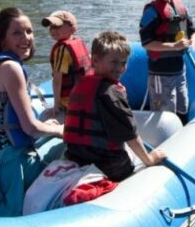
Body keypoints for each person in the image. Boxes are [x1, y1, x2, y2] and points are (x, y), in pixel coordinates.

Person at [0, 7, 65, 216]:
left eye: (29, 31)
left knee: (51, 131)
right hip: (8, 165)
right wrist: (62, 130)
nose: (26, 38)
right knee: (66, 143)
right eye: (17, 33)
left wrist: (47, 125)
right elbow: (30, 127)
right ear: (2, 40)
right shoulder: (11, 68)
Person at [64, 31, 166, 181]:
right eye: (114, 62)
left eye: (124, 63)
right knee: (135, 157)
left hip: (77, 158)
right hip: (109, 166)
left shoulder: (81, 83)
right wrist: (149, 160)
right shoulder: (111, 93)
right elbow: (130, 135)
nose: (120, 68)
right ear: (96, 61)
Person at [139, 0, 195, 124]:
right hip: (160, 73)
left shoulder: (181, 8)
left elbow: (193, 31)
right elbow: (147, 43)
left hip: (179, 70)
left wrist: (194, 40)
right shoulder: (151, 12)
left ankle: (183, 134)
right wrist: (174, 47)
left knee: (182, 107)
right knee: (165, 114)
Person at [40, 10, 90, 120]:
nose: (53, 30)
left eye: (58, 26)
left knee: (44, 117)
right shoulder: (78, 42)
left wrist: (56, 105)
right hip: (83, 96)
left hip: (68, 101)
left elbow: (57, 80)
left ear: (71, 27)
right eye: (51, 27)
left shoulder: (61, 49)